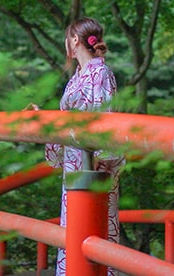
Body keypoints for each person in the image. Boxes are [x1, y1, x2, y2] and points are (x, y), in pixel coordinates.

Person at [44, 17, 124, 276]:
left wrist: (100, 159)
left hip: (94, 166)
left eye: (68, 38)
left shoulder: (101, 73)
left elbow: (106, 120)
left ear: (75, 40)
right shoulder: (79, 76)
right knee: (75, 232)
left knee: (94, 231)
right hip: (75, 162)